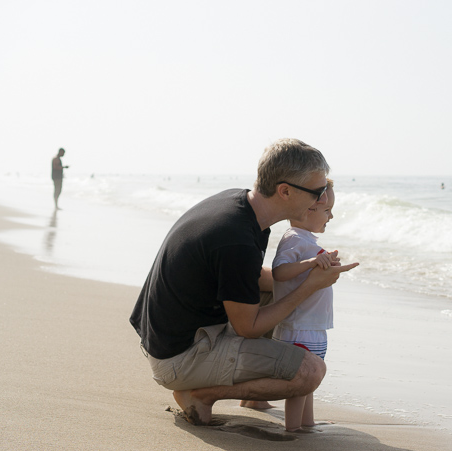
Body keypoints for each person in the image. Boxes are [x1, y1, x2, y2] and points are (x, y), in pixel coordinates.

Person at [129, 139, 358, 426]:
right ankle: (202, 394)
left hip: (173, 335)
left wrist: (308, 273)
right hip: (178, 358)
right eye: (318, 192)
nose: (322, 200)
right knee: (310, 372)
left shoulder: (243, 206)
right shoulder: (235, 239)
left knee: (278, 290)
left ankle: (253, 396)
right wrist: (311, 285)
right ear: (285, 191)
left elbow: (253, 279)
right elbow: (248, 328)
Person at [268, 181, 340, 432]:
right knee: (300, 379)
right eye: (327, 209)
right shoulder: (294, 238)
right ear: (309, 209)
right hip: (299, 327)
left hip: (313, 325)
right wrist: (311, 262)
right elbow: (280, 271)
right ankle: (293, 427)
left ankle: (306, 422)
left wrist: (324, 261)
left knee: (310, 380)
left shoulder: (306, 238)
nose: (331, 216)